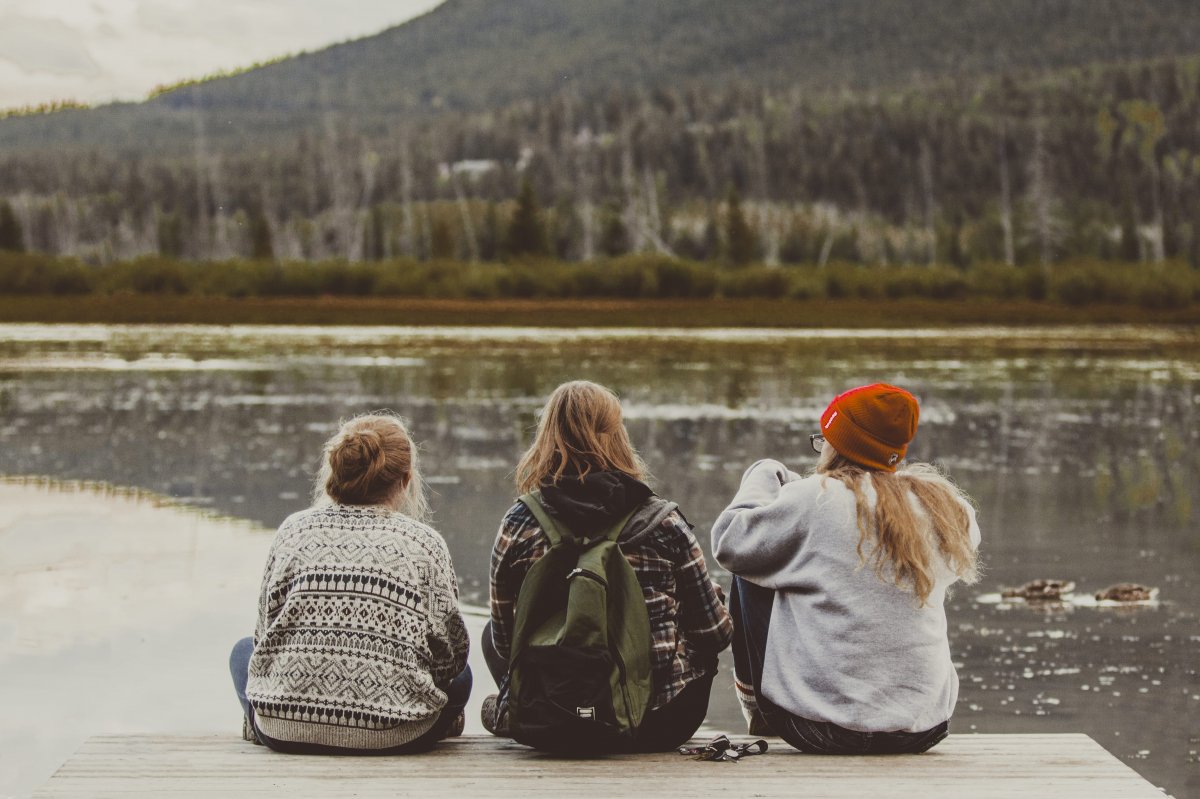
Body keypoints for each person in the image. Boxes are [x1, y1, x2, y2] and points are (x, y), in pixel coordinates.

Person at [711, 383, 980, 755]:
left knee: (753, 565)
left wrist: (763, 472)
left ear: (839, 444)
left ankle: (758, 713)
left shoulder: (813, 499)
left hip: (822, 729)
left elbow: (730, 542)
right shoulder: (945, 507)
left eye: (824, 438)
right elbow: (858, 515)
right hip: (924, 728)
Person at [482, 380, 733, 751]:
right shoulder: (663, 521)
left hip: (551, 718)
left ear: (547, 437)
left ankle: (524, 708)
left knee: (491, 628)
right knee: (698, 629)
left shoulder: (519, 521)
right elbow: (713, 633)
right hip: (659, 723)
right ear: (616, 436)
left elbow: (505, 643)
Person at [229, 413, 471, 754]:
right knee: (464, 678)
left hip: (284, 730)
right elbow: (450, 656)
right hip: (397, 734)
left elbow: (263, 635)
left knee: (242, 651)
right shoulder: (424, 543)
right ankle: (439, 721)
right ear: (405, 479)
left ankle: (258, 720)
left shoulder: (293, 531)